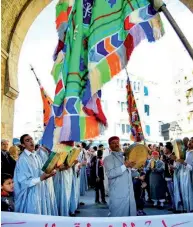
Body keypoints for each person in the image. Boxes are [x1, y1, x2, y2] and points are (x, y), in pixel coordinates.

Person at [14, 134, 56, 214]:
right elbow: (23, 181)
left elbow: (40, 171)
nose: (31, 141)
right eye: (27, 140)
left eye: (31, 139)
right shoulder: (23, 159)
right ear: (23, 145)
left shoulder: (36, 156)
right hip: (30, 193)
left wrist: (49, 172)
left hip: (40, 190)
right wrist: (41, 178)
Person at [104, 136, 136, 217]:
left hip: (128, 191)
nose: (116, 144)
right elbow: (110, 174)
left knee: (129, 217)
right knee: (117, 215)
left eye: (117, 142)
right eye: (113, 143)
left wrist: (135, 170)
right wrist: (125, 166)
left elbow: (128, 172)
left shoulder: (125, 157)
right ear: (109, 146)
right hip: (118, 192)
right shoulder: (108, 159)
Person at [37, 145, 58, 216]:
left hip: (49, 177)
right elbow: (42, 168)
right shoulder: (40, 152)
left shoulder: (48, 152)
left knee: (50, 197)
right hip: (44, 179)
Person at [163, 143, 175, 211]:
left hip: (171, 177)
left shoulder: (172, 156)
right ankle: (173, 205)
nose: (164, 150)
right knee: (170, 193)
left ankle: (175, 206)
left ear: (168, 149)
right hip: (167, 177)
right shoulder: (166, 156)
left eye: (165, 148)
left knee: (173, 192)